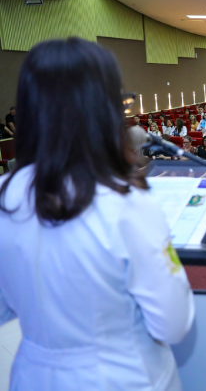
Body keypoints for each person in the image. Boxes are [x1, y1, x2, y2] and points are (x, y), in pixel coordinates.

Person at [0, 38, 193, 391]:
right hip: (126, 376)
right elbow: (173, 322)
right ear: (105, 108)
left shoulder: (5, 193)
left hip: (34, 376)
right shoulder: (126, 199)